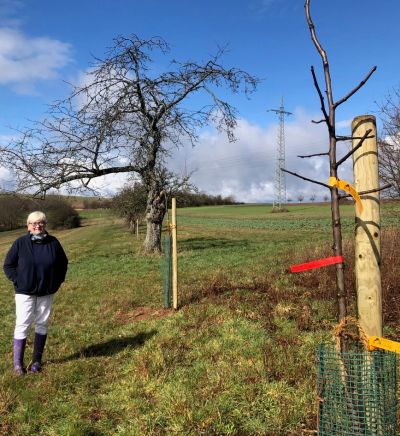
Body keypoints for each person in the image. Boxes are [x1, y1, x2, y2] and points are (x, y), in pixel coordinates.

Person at [3, 211, 68, 376]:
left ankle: (36, 362)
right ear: (28, 226)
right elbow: (8, 265)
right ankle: (18, 365)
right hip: (25, 292)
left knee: (42, 323)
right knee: (23, 324)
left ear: (45, 225)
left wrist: (55, 283)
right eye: (33, 223)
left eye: (40, 223)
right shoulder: (21, 243)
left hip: (46, 291)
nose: (37, 226)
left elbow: (63, 264)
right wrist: (19, 281)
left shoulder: (53, 243)